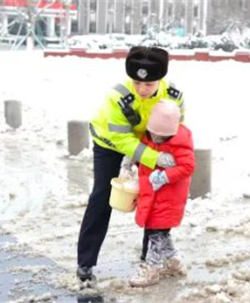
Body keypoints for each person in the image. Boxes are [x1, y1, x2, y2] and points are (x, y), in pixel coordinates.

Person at [76, 46, 185, 282]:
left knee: (153, 197)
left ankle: (150, 260)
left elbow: (177, 125)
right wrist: (151, 157)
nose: (142, 89)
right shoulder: (117, 96)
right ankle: (85, 262)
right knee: (103, 195)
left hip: (151, 143)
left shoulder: (173, 95)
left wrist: (166, 154)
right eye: (137, 83)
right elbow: (120, 138)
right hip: (109, 144)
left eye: (148, 84)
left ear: (160, 79)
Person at [129, 100, 195, 287]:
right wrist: (134, 165)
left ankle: (153, 268)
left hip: (168, 198)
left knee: (156, 234)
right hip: (151, 196)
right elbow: (141, 155)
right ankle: (174, 262)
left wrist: (165, 176)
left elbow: (188, 166)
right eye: (153, 134)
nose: (156, 138)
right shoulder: (147, 138)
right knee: (161, 233)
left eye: (162, 136)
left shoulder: (180, 143)